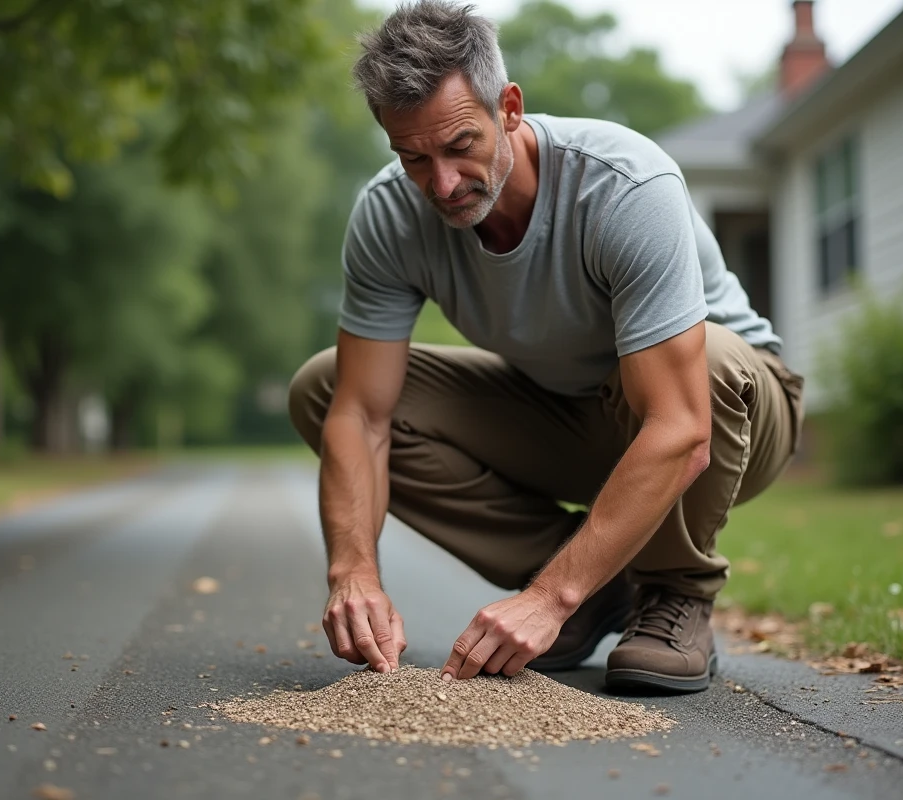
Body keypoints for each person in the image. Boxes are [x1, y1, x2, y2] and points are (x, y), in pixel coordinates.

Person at [288, 0, 804, 693]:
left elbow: (682, 428)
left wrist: (543, 600)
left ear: (508, 106)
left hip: (728, 412)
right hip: (574, 414)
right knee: (323, 390)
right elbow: (361, 415)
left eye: (460, 145)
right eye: (413, 157)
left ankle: (674, 591)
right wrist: (352, 573)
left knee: (700, 362)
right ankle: (595, 593)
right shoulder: (389, 214)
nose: (441, 184)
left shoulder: (623, 186)